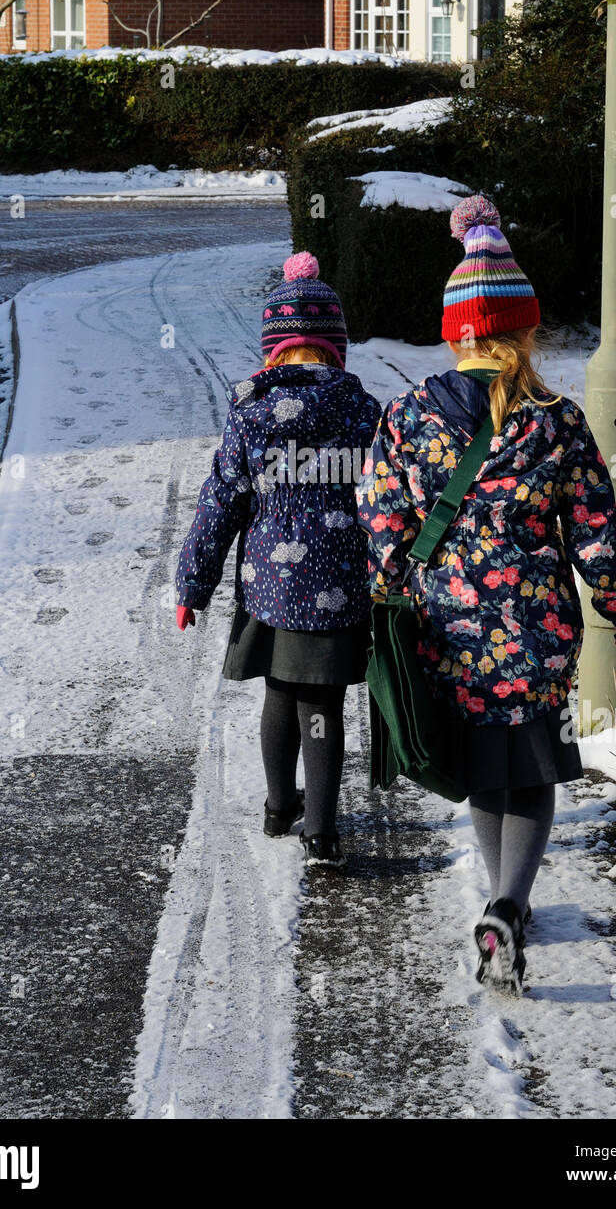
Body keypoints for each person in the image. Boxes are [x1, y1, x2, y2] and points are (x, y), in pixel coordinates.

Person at [355, 195, 616, 993]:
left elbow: (380, 524)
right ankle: (507, 906)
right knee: (531, 771)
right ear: (525, 330)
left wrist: (394, 595)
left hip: (444, 632)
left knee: (488, 771)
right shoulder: (553, 421)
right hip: (536, 632)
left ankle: (501, 906)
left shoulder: (407, 414)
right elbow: (596, 530)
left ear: (455, 333)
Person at [175, 251, 381, 869]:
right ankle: (321, 831)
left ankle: (275, 806)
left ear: (273, 350)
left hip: (272, 587)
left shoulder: (252, 416)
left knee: (279, 695)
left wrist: (193, 583)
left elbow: (221, 504)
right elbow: (388, 502)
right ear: (336, 348)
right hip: (342, 588)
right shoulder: (365, 414)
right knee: (322, 704)